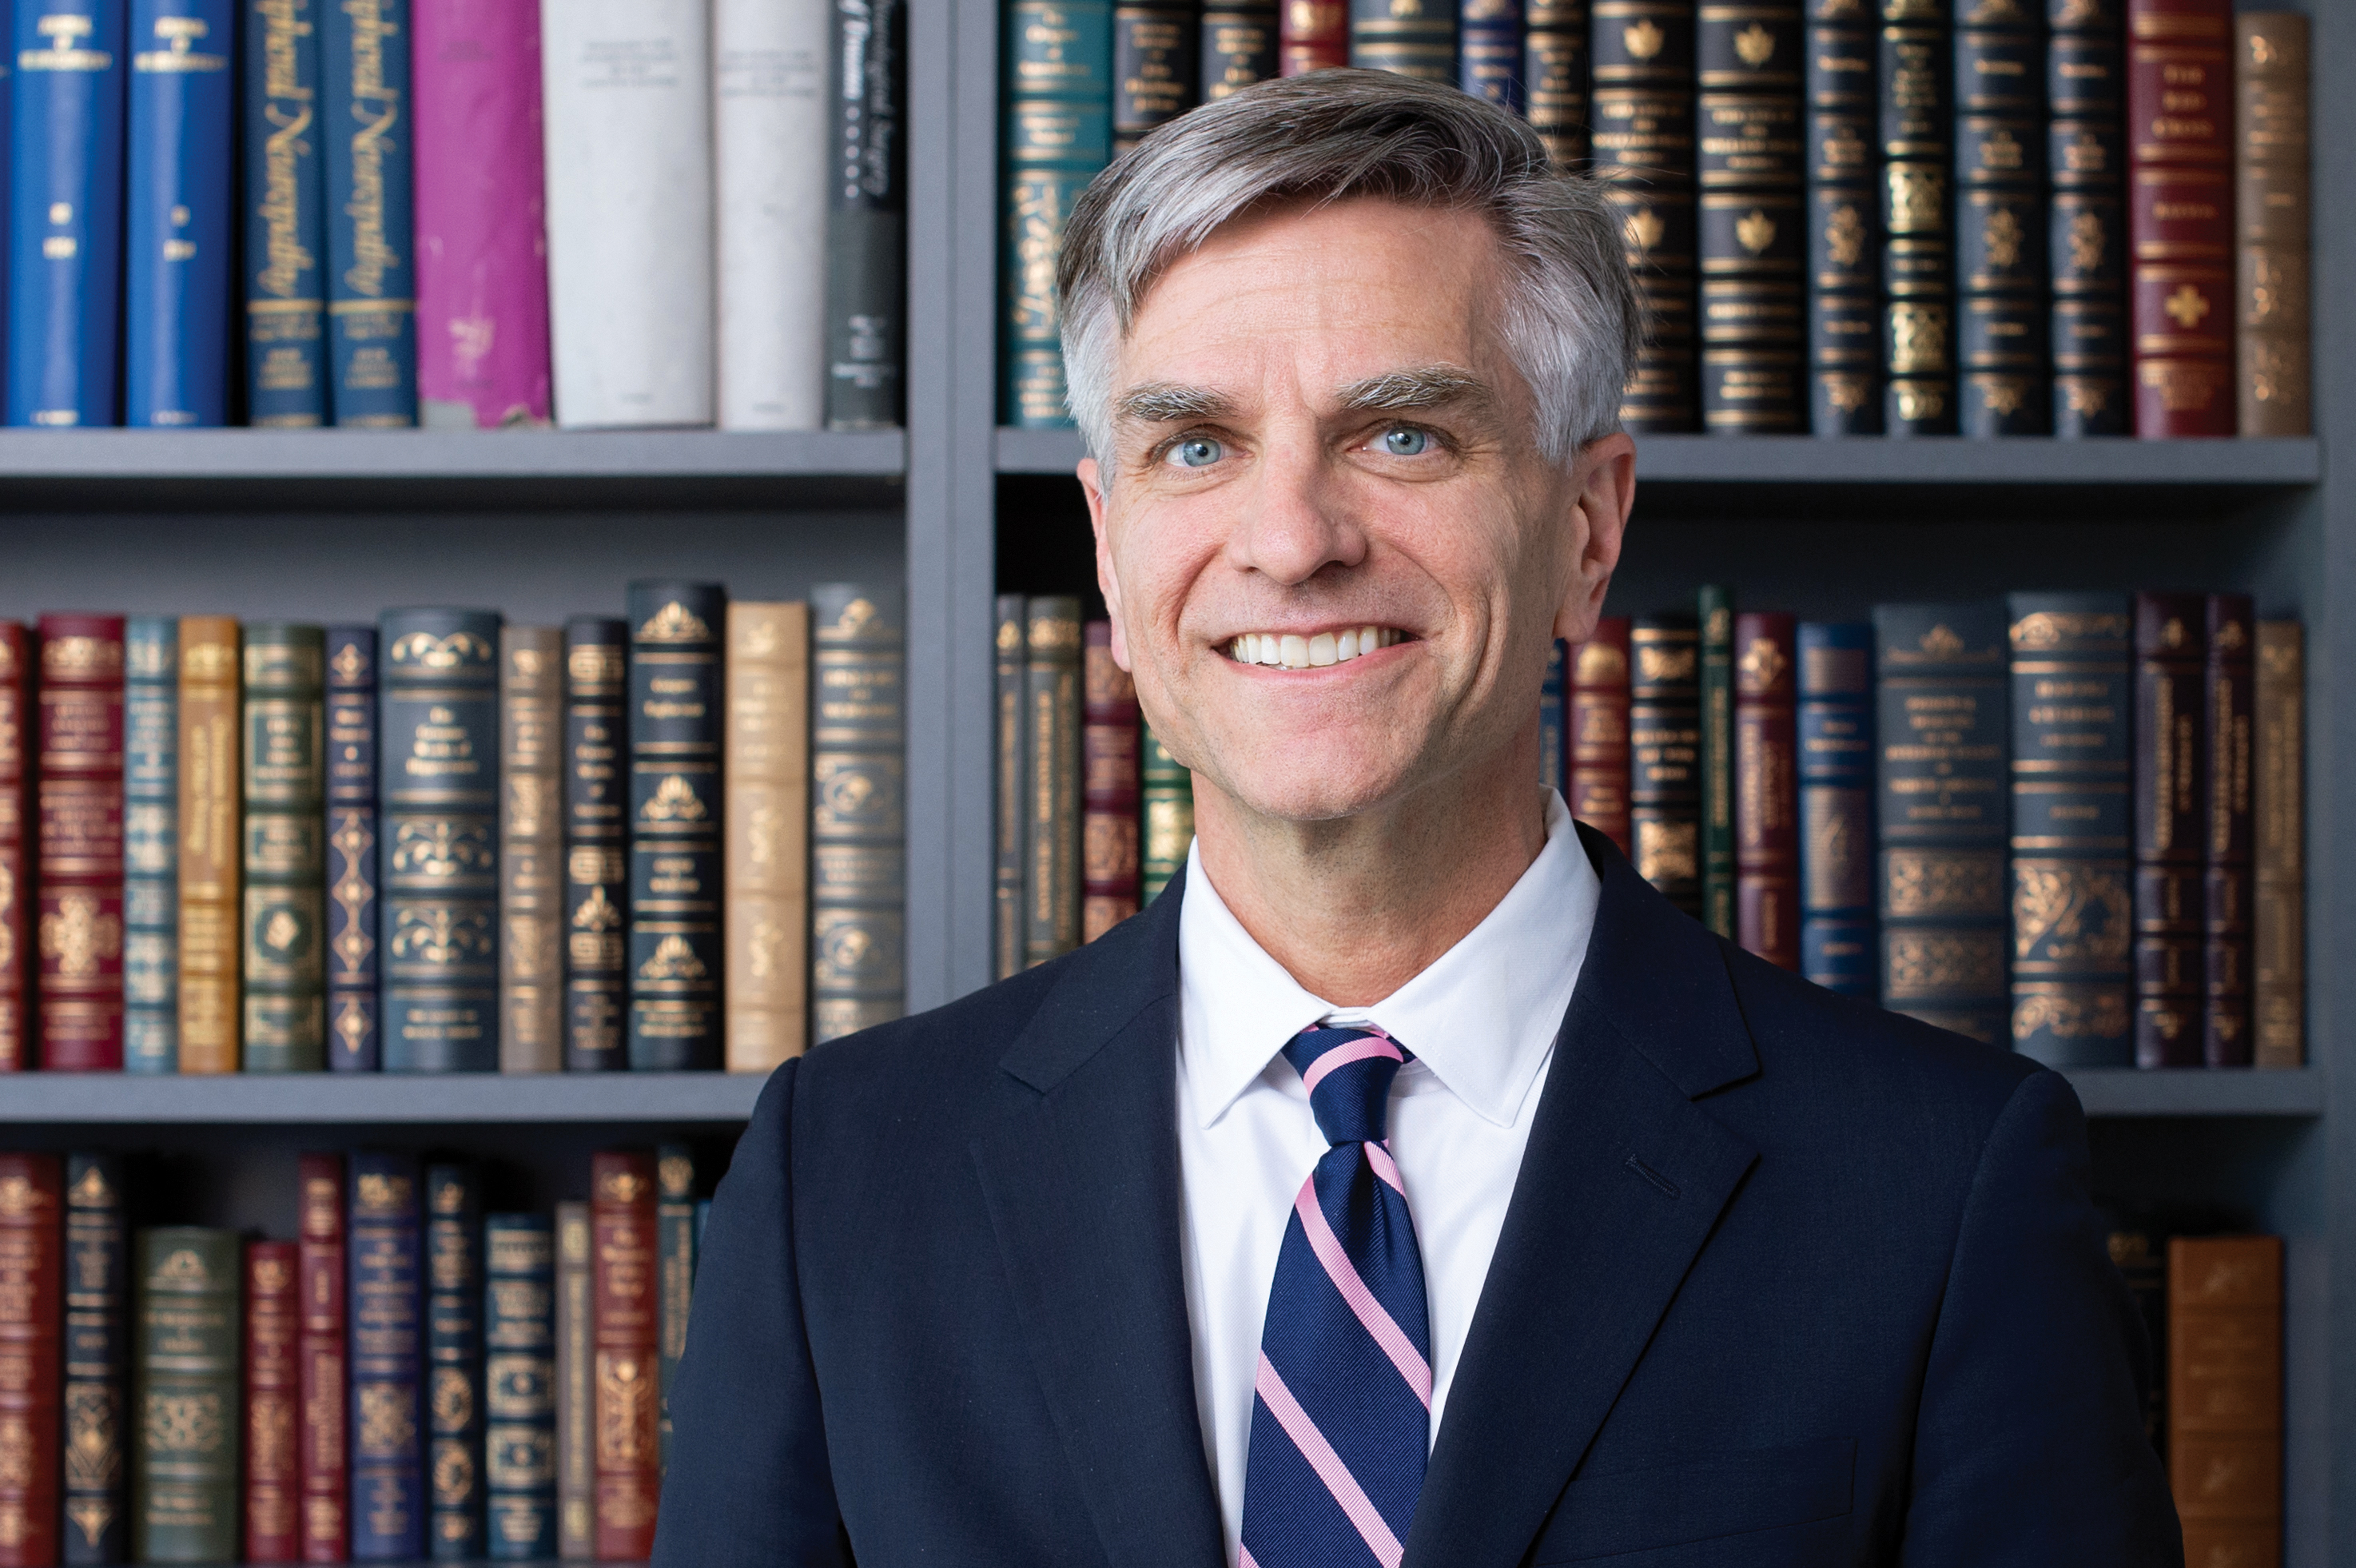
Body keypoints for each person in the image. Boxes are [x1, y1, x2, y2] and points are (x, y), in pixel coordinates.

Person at [654, 70, 2180, 1568]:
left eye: (1401, 435)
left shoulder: (1939, 1184)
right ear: (1111, 552)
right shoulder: (840, 1181)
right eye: (1198, 446)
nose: (1293, 540)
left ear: (1588, 529)